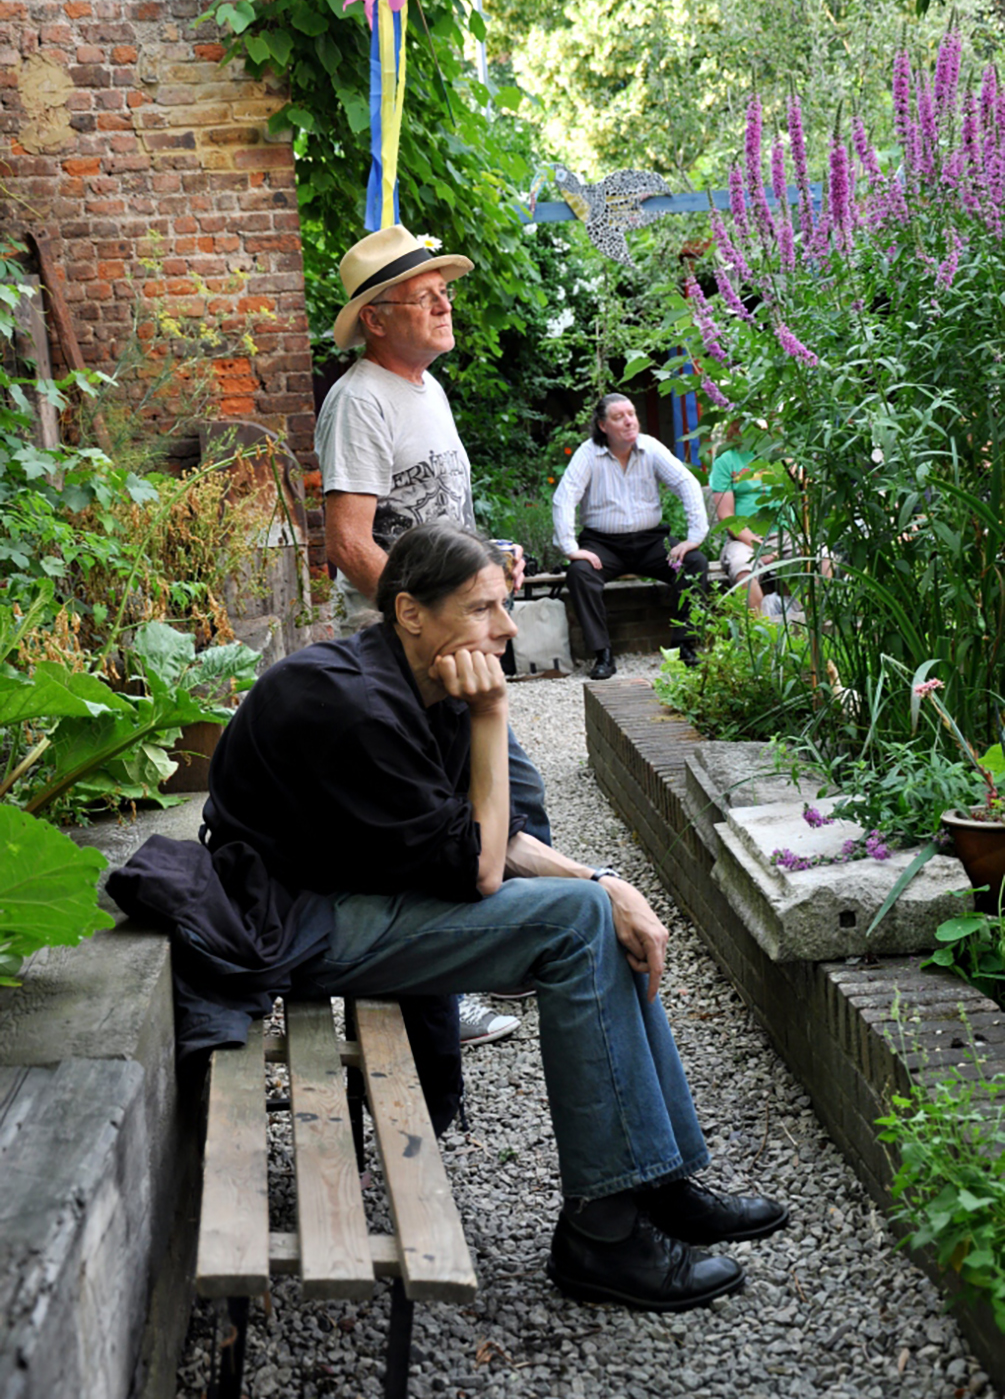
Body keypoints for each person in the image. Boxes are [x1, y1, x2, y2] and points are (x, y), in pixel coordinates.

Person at [201, 520, 788, 1312]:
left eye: (503, 606)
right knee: (576, 925)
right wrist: (491, 718)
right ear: (410, 611)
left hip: (350, 892)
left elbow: (491, 835)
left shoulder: (419, 676)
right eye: (483, 609)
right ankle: (602, 1238)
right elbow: (478, 867)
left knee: (594, 912)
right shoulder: (349, 703)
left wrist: (607, 880)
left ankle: (653, 1180)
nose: (507, 630)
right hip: (297, 924)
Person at [314, 223, 546, 1044]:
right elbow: (349, 545)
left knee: (504, 802)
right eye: (425, 295)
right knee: (473, 812)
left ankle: (502, 960)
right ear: (376, 317)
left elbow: (434, 529)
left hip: (448, 641)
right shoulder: (359, 400)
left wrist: (488, 568)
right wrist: (435, 627)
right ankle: (482, 966)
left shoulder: (425, 391)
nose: (446, 304)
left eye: (447, 290)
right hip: (408, 661)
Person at [552, 394, 710, 680]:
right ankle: (602, 654)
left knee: (694, 563)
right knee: (580, 573)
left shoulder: (650, 448)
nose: (629, 421)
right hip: (603, 547)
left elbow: (687, 483)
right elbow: (564, 499)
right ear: (603, 425)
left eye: (632, 414)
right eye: (619, 417)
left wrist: (694, 537)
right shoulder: (588, 454)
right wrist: (571, 548)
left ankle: (684, 645)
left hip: (651, 544)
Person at [708, 434, 830, 614]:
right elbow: (726, 516)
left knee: (824, 558)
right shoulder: (727, 460)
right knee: (743, 572)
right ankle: (764, 634)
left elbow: (808, 489)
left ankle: (806, 624)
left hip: (787, 535)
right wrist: (759, 546)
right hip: (744, 539)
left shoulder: (781, 456)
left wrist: (789, 460)